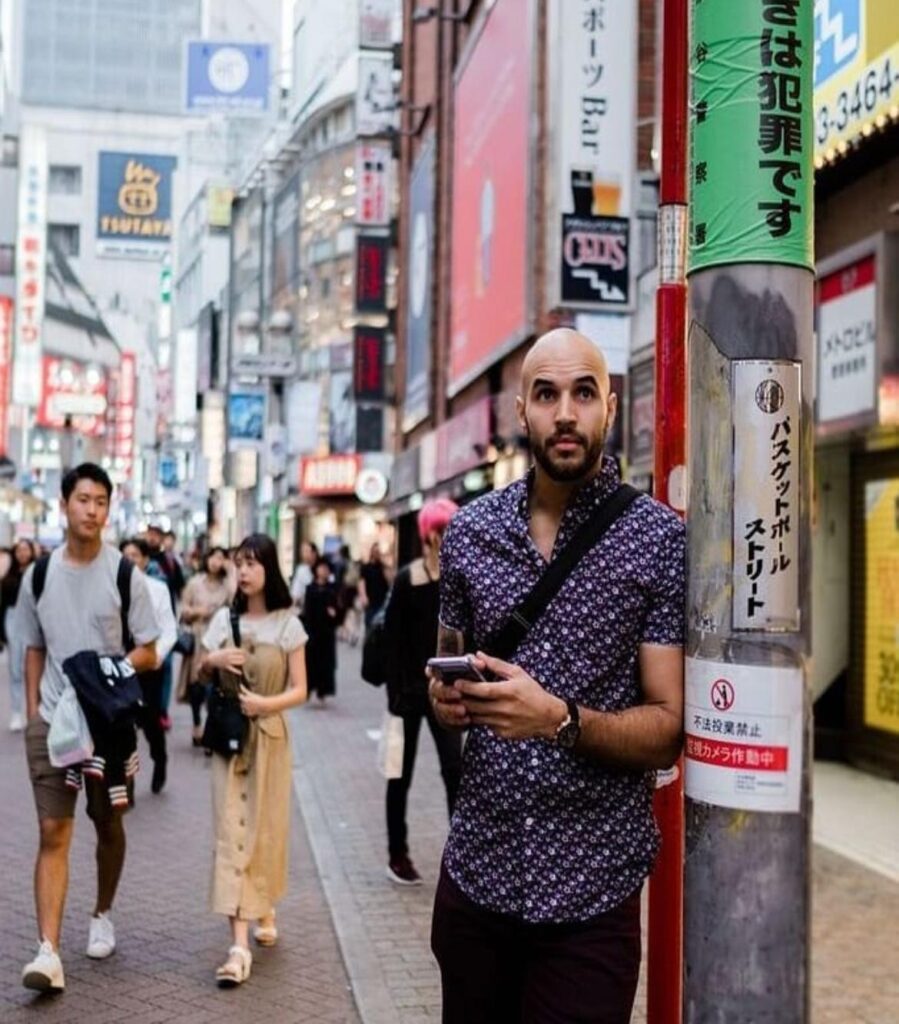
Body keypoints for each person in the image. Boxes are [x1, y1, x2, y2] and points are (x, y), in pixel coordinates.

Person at [428, 329, 685, 1023]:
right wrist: (447, 698)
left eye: (581, 393)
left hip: (590, 897)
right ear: (521, 412)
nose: (564, 413)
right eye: (546, 394)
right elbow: (448, 658)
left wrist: (557, 721)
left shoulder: (658, 540)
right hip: (477, 878)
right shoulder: (470, 533)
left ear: (608, 404)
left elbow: (666, 728)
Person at [18, 463, 160, 993]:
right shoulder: (38, 576)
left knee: (108, 823)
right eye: (83, 499)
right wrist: (35, 711)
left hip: (109, 724)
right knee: (54, 832)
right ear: (64, 504)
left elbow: (149, 647)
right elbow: (33, 647)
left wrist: (118, 667)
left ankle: (102, 911)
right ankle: (48, 951)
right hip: (55, 723)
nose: (92, 509)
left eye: (101, 501)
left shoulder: (126, 575)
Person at [199, 533, 308, 988]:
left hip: (269, 736)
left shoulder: (288, 624)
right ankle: (237, 946)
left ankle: (263, 903)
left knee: (263, 829)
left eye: (252, 563)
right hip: (230, 740)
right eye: (238, 564)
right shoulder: (225, 620)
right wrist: (214, 659)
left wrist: (267, 705)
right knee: (230, 832)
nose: (243, 571)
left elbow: (302, 689)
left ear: (268, 569)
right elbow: (202, 668)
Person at [383, 500, 463, 886]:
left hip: (445, 689)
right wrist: (394, 695)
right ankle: (397, 854)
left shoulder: (458, 579)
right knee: (400, 775)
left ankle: (462, 852)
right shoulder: (407, 579)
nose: (447, 537)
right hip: (406, 696)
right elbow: (392, 641)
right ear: (430, 533)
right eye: (443, 530)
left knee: (455, 771)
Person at [120, 538, 177, 794]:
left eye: (135, 554)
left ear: (145, 559)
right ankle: (127, 781)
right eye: (125, 555)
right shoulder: (113, 587)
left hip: (149, 666)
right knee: (123, 723)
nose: (130, 559)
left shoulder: (157, 589)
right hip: (120, 667)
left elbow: (169, 629)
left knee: (151, 721)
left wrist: (157, 657)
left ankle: (160, 758)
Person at [177, 546, 234, 746]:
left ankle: (211, 728)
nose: (215, 562)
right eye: (213, 557)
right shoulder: (195, 583)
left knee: (214, 687)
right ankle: (196, 724)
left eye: (220, 558)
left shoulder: (227, 586)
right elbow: (183, 609)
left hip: (219, 640)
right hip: (198, 637)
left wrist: (232, 571)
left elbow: (236, 602)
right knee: (196, 686)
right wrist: (196, 611)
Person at [1, 538, 38, 731]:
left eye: (26, 549)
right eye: (19, 550)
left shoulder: (38, 572)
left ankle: (34, 710)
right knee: (15, 667)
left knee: (34, 665)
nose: (23, 553)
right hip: (13, 617)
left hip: (34, 616)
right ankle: (17, 711)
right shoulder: (9, 575)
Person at [301, 558, 339, 702]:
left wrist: (334, 613)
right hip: (313, 629)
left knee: (326, 662)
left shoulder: (332, 588)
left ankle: (323, 690)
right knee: (311, 661)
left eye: (326, 568)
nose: (323, 571)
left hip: (327, 631)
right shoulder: (310, 588)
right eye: (321, 568)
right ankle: (309, 689)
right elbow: (307, 610)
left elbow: (338, 607)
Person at [359, 543, 390, 631]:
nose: (377, 553)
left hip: (382, 601)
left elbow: (390, 581)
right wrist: (363, 596)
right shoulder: (366, 567)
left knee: (381, 627)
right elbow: (362, 583)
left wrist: (385, 564)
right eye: (375, 551)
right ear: (372, 552)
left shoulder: (383, 567)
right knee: (369, 625)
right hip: (371, 601)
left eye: (378, 551)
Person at [289, 540, 319, 614]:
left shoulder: (323, 567)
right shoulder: (301, 569)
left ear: (314, 553)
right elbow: (296, 593)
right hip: (306, 610)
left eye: (306, 551)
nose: (303, 554)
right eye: (302, 551)